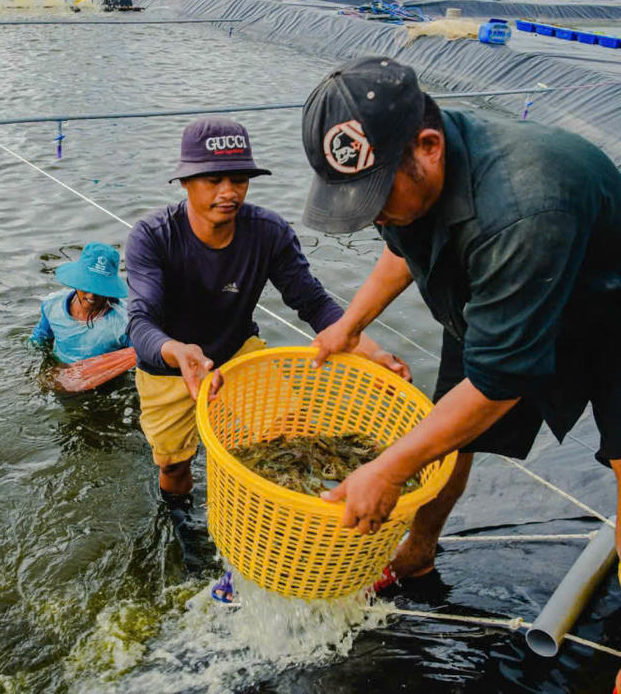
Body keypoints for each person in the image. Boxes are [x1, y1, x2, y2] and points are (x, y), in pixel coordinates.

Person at [302, 56, 621, 694]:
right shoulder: (412, 191)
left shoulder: (524, 201)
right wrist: (351, 324)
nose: (374, 214)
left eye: (377, 198)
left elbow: (498, 384)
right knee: (445, 436)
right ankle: (417, 549)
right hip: (498, 292)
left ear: (428, 148)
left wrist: (385, 469)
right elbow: (399, 248)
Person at [125, 116, 408, 543]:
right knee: (173, 464)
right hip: (169, 364)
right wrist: (178, 352)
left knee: (287, 439)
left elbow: (313, 303)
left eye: (239, 179)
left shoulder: (269, 233)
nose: (229, 192)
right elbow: (140, 322)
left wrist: (372, 350)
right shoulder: (153, 236)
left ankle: (272, 527)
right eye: (214, 179)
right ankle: (181, 525)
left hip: (238, 352)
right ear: (185, 183)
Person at [30, 242, 130, 364]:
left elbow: (142, 355)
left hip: (104, 377)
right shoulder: (52, 306)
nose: (91, 295)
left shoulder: (125, 322)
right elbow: (39, 339)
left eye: (99, 288)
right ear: (78, 282)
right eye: (87, 286)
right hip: (59, 370)